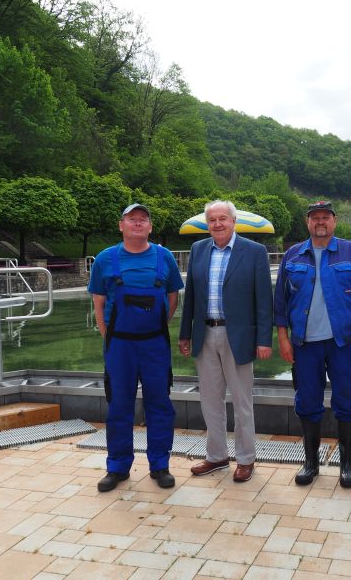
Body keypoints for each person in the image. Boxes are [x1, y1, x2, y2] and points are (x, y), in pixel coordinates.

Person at [274, 201, 351, 488]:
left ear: (334, 221)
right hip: (304, 343)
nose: (320, 222)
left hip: (343, 342)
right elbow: (280, 301)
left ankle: (347, 464)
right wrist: (283, 337)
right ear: (308, 223)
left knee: (347, 399)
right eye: (314, 218)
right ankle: (311, 463)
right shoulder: (293, 255)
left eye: (325, 217)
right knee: (307, 401)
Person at [88, 203, 184, 492]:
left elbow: (172, 299)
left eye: (143, 220)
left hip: (154, 344)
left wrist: (154, 327)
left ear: (150, 227)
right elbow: (99, 303)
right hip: (120, 346)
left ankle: (159, 465)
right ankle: (117, 467)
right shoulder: (105, 259)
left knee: (160, 404)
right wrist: (111, 336)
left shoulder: (164, 257)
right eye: (132, 219)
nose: (138, 224)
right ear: (122, 226)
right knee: (119, 405)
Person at [178, 200, 273, 483]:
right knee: (210, 400)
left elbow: (263, 300)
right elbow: (191, 297)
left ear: (234, 221)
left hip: (239, 336)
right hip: (205, 334)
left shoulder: (254, 252)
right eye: (212, 220)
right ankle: (217, 456)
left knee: (242, 402)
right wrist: (185, 333)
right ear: (207, 224)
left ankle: (246, 459)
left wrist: (263, 339)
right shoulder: (198, 250)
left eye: (223, 219)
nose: (217, 224)